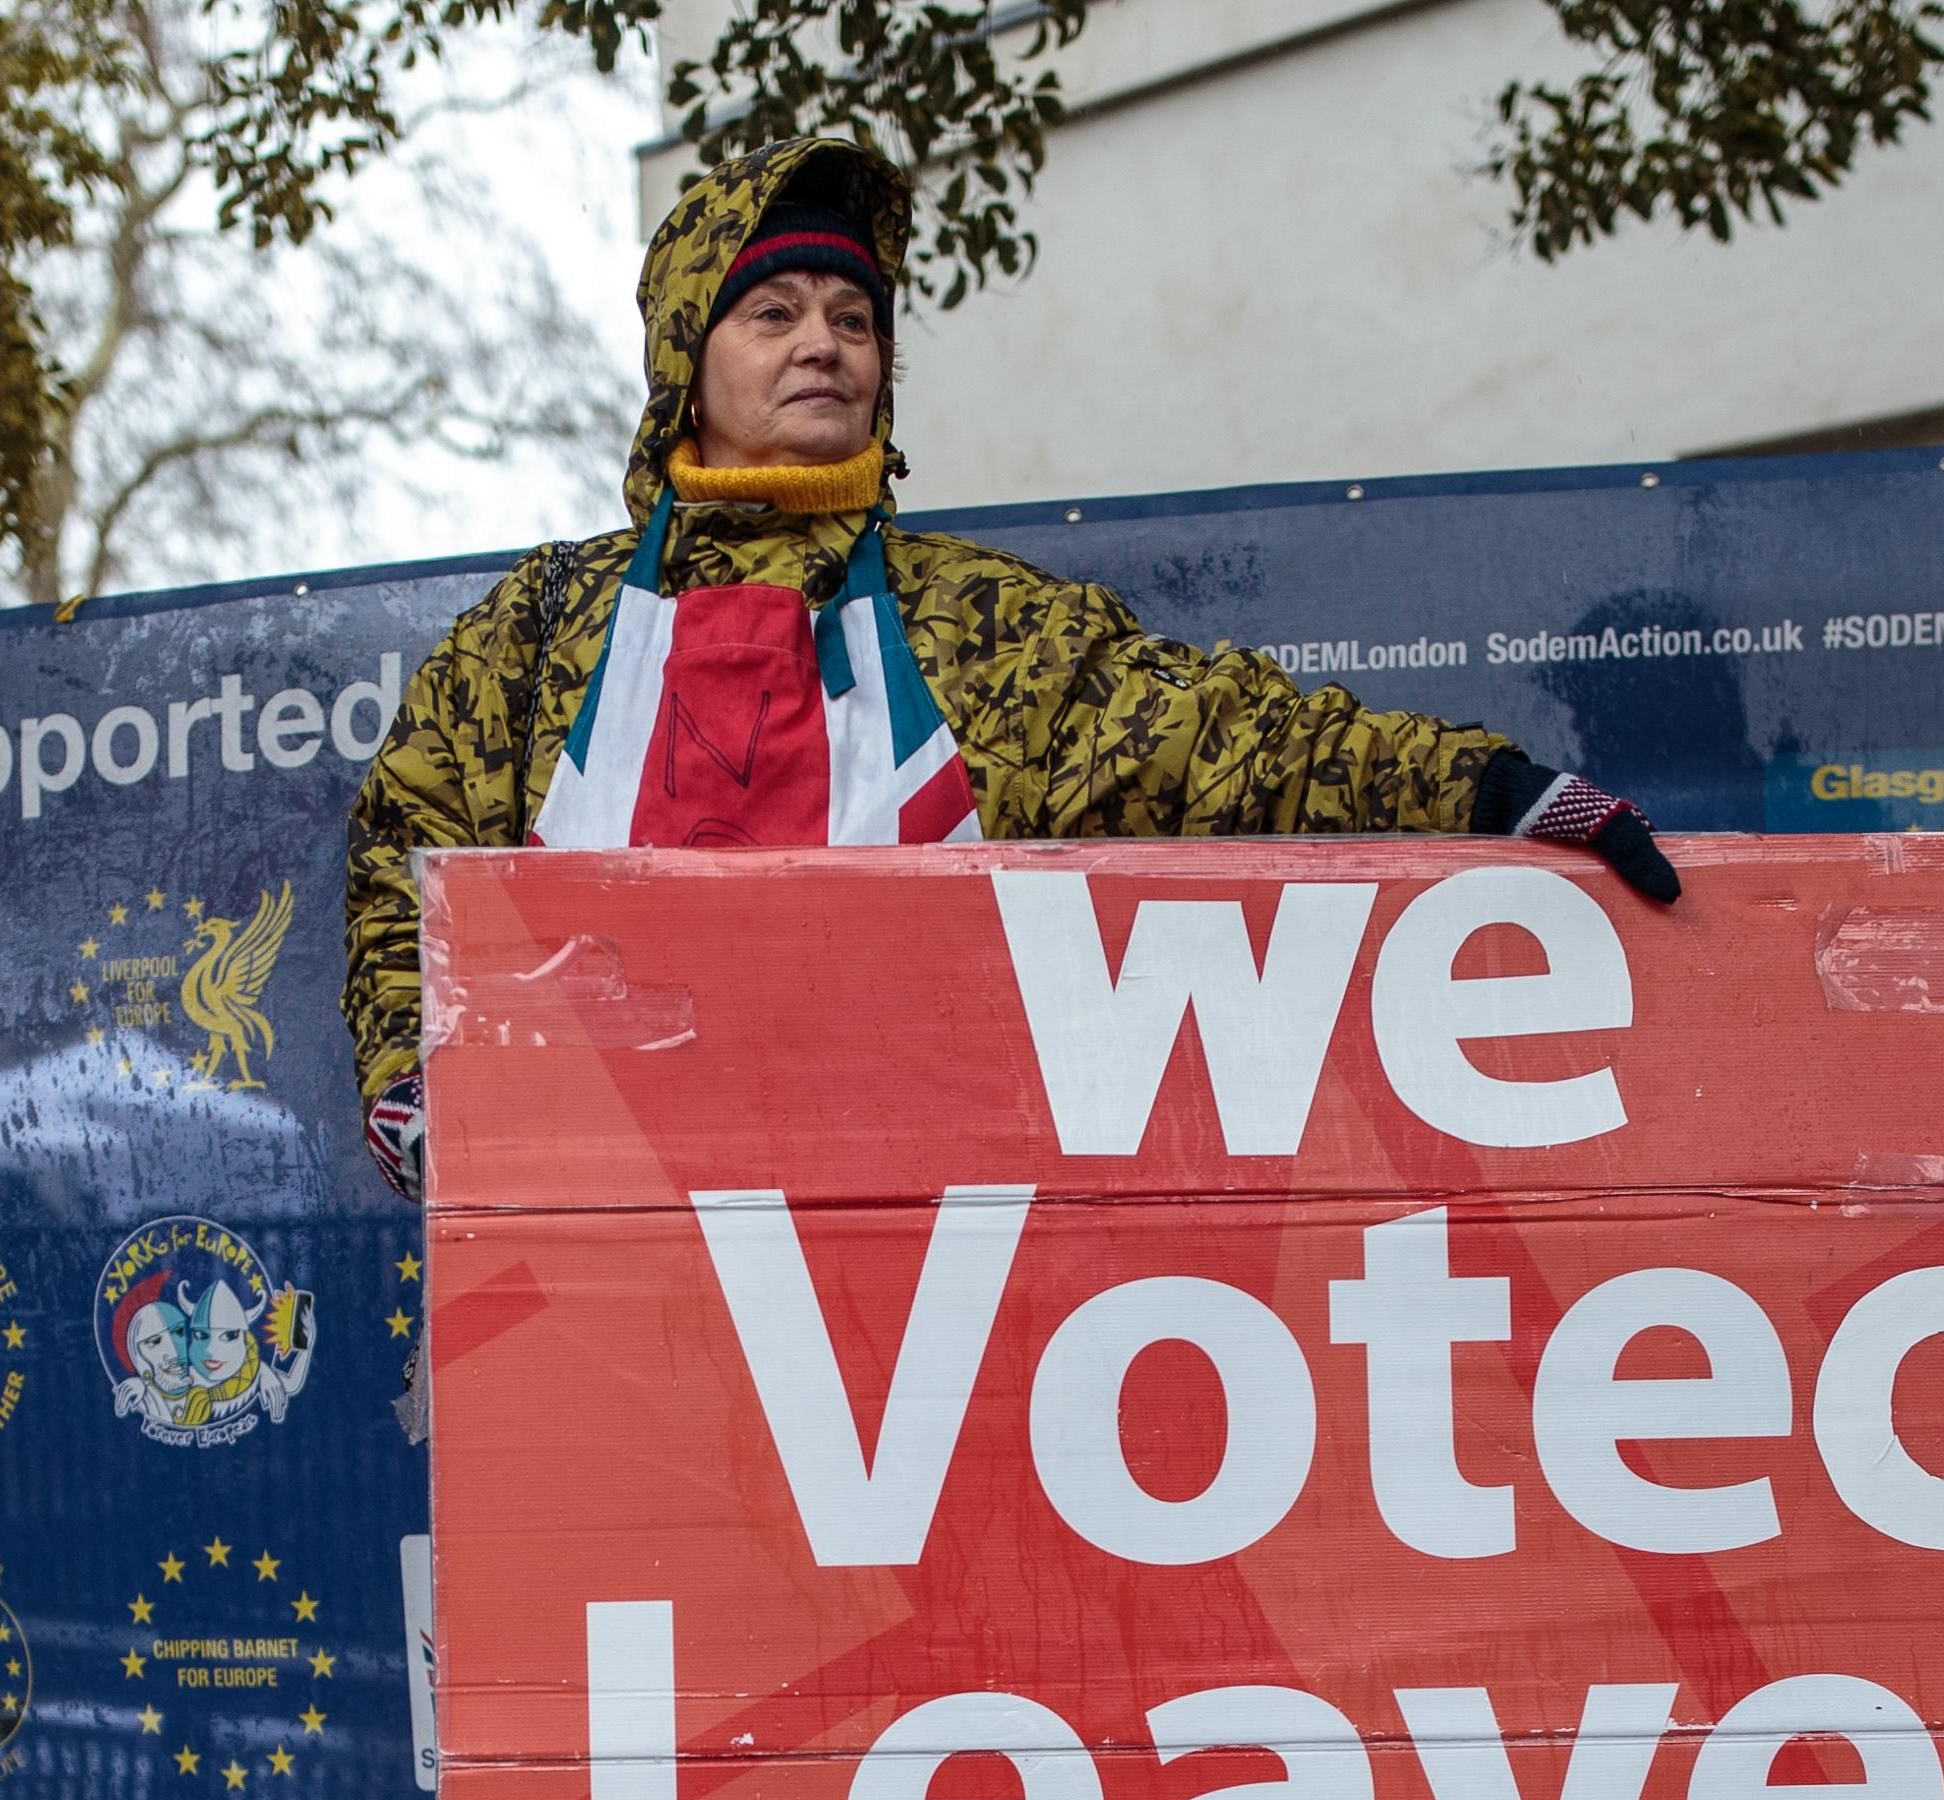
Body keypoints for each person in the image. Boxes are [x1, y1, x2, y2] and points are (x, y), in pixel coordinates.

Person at [340, 139, 1679, 1198]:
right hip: (601, 1256)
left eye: (855, 318)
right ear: (690, 363)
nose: (825, 342)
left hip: (921, 1262)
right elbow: (412, 851)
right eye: (776, 311)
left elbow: (1225, 744)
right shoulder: (544, 626)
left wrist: (1488, 784)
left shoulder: (979, 626)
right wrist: (418, 1086)